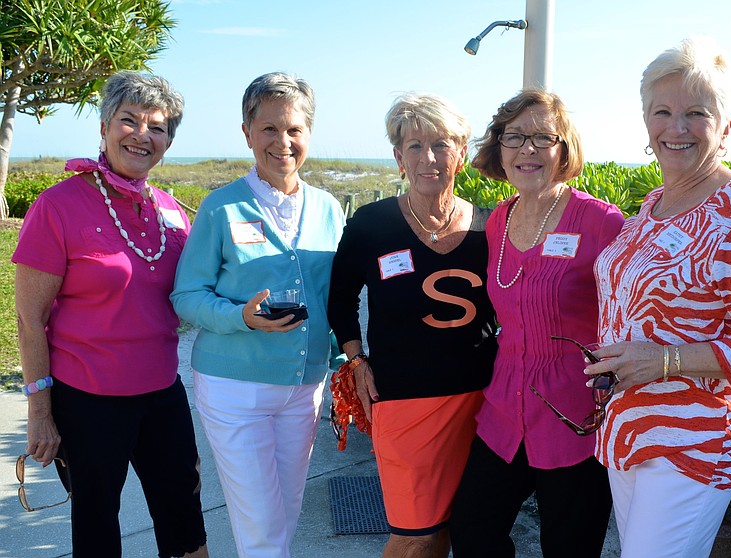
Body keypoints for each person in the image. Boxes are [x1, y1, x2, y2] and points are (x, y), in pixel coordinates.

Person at [584, 37, 731, 558]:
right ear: (646, 122)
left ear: (725, 126)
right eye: (662, 111)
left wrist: (662, 361)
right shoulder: (655, 202)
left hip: (693, 440)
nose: (676, 127)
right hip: (629, 429)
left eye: (696, 112)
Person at [13, 72, 208, 557]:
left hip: (163, 392)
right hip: (88, 400)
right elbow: (28, 319)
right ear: (104, 127)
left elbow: (194, 293)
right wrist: (40, 412)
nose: (142, 135)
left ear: (168, 142)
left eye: (158, 127)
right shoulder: (57, 205)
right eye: (129, 121)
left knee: (185, 518)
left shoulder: (170, 210)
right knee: (97, 531)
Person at [170, 72, 345, 558]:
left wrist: (338, 362)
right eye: (268, 129)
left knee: (286, 512)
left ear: (309, 134)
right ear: (246, 132)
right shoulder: (221, 207)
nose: (282, 142)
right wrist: (241, 317)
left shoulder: (329, 208)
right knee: (262, 523)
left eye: (294, 129)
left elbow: (335, 296)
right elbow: (186, 295)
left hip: (304, 388)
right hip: (234, 388)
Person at [449, 89, 625, 558]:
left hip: (576, 415)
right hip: (505, 408)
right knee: (472, 531)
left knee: (569, 547)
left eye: (542, 137)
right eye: (515, 137)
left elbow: (634, 312)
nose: (527, 149)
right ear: (499, 149)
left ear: (563, 149)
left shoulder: (601, 222)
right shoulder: (498, 222)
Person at [327, 93, 498, 558]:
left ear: (461, 153)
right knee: (414, 535)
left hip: (482, 402)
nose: (429, 158)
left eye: (442, 144)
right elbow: (340, 298)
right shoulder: (371, 224)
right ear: (398, 157)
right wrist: (355, 358)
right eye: (415, 146)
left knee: (453, 525)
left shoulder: (491, 226)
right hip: (404, 401)